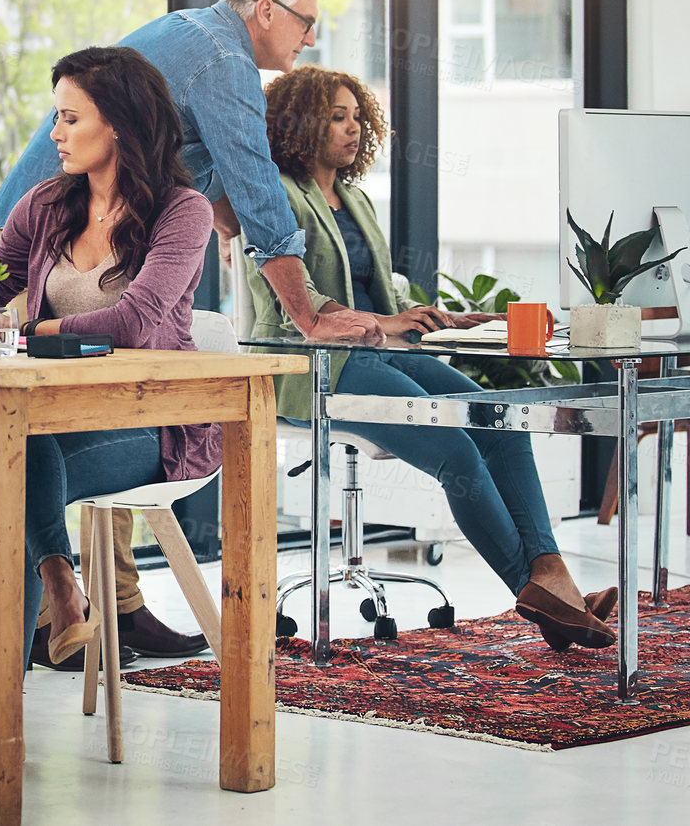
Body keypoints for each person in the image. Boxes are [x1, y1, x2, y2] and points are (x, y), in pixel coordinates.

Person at [0, 0, 378, 661]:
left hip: (116, 294)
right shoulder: (221, 61)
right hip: (49, 235)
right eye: (305, 22)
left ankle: (72, 624)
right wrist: (306, 311)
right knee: (20, 436)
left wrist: (217, 232)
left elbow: (225, 192)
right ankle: (71, 612)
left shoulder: (189, 42)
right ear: (264, 10)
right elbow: (253, 184)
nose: (310, 39)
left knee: (25, 446)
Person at [246, 64, 615, 649]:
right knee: (457, 449)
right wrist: (384, 322)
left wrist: (444, 316)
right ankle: (545, 595)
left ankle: (551, 578)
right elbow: (301, 301)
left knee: (502, 423)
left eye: (356, 117)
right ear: (300, 124)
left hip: (385, 354)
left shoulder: (354, 199)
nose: (352, 129)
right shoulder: (275, 197)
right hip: (321, 369)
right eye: (337, 117)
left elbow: (383, 295)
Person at [0, 47, 220, 669]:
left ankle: (18, 666)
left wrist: (33, 327)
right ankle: (61, 582)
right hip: (53, 417)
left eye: (70, 119)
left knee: (7, 453)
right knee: (7, 436)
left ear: (118, 122)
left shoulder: (181, 211)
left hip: (153, 424)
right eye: (55, 118)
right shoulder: (44, 206)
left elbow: (135, 324)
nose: (55, 135)